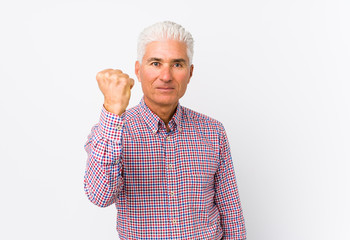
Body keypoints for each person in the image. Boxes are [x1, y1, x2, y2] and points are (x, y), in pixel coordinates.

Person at [84, 21, 246, 239]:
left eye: (177, 64)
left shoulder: (213, 131)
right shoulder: (112, 131)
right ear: (138, 71)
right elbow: (100, 196)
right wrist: (113, 112)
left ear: (190, 73)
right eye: (156, 63)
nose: (166, 76)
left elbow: (230, 210)